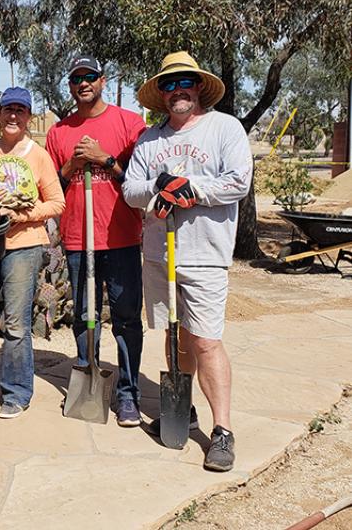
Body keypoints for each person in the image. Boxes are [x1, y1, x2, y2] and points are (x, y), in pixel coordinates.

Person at [122, 51, 252, 472]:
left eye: (184, 82)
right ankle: (185, 408)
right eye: (168, 84)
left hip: (205, 255)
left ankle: (223, 431)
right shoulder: (149, 139)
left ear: (198, 87)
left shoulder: (224, 128)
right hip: (160, 254)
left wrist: (188, 188)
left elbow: (238, 181)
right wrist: (159, 192)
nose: (176, 90)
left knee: (206, 340)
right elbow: (130, 190)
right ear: (160, 94)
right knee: (176, 335)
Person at [45, 55, 146, 427]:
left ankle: (128, 393)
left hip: (119, 236)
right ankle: (88, 375)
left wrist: (105, 160)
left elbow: (139, 181)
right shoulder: (59, 132)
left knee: (126, 319)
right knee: (85, 317)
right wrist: (73, 165)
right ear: (70, 86)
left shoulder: (129, 124)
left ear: (103, 80)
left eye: (89, 77)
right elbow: (52, 183)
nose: (82, 83)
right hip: (77, 238)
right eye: (76, 79)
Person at [0, 87, 65, 419]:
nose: (13, 116)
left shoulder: (39, 156)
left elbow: (56, 202)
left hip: (24, 246)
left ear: (29, 118)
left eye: (20, 111)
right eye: (8, 110)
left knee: (17, 323)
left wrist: (23, 215)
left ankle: (16, 392)